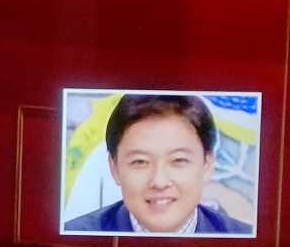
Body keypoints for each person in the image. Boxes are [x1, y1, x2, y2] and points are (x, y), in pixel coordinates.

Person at [64, 94, 253, 235]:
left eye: (178, 160)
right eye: (140, 162)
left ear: (207, 165)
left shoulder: (244, 240)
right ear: (114, 168)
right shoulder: (73, 240)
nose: (159, 182)